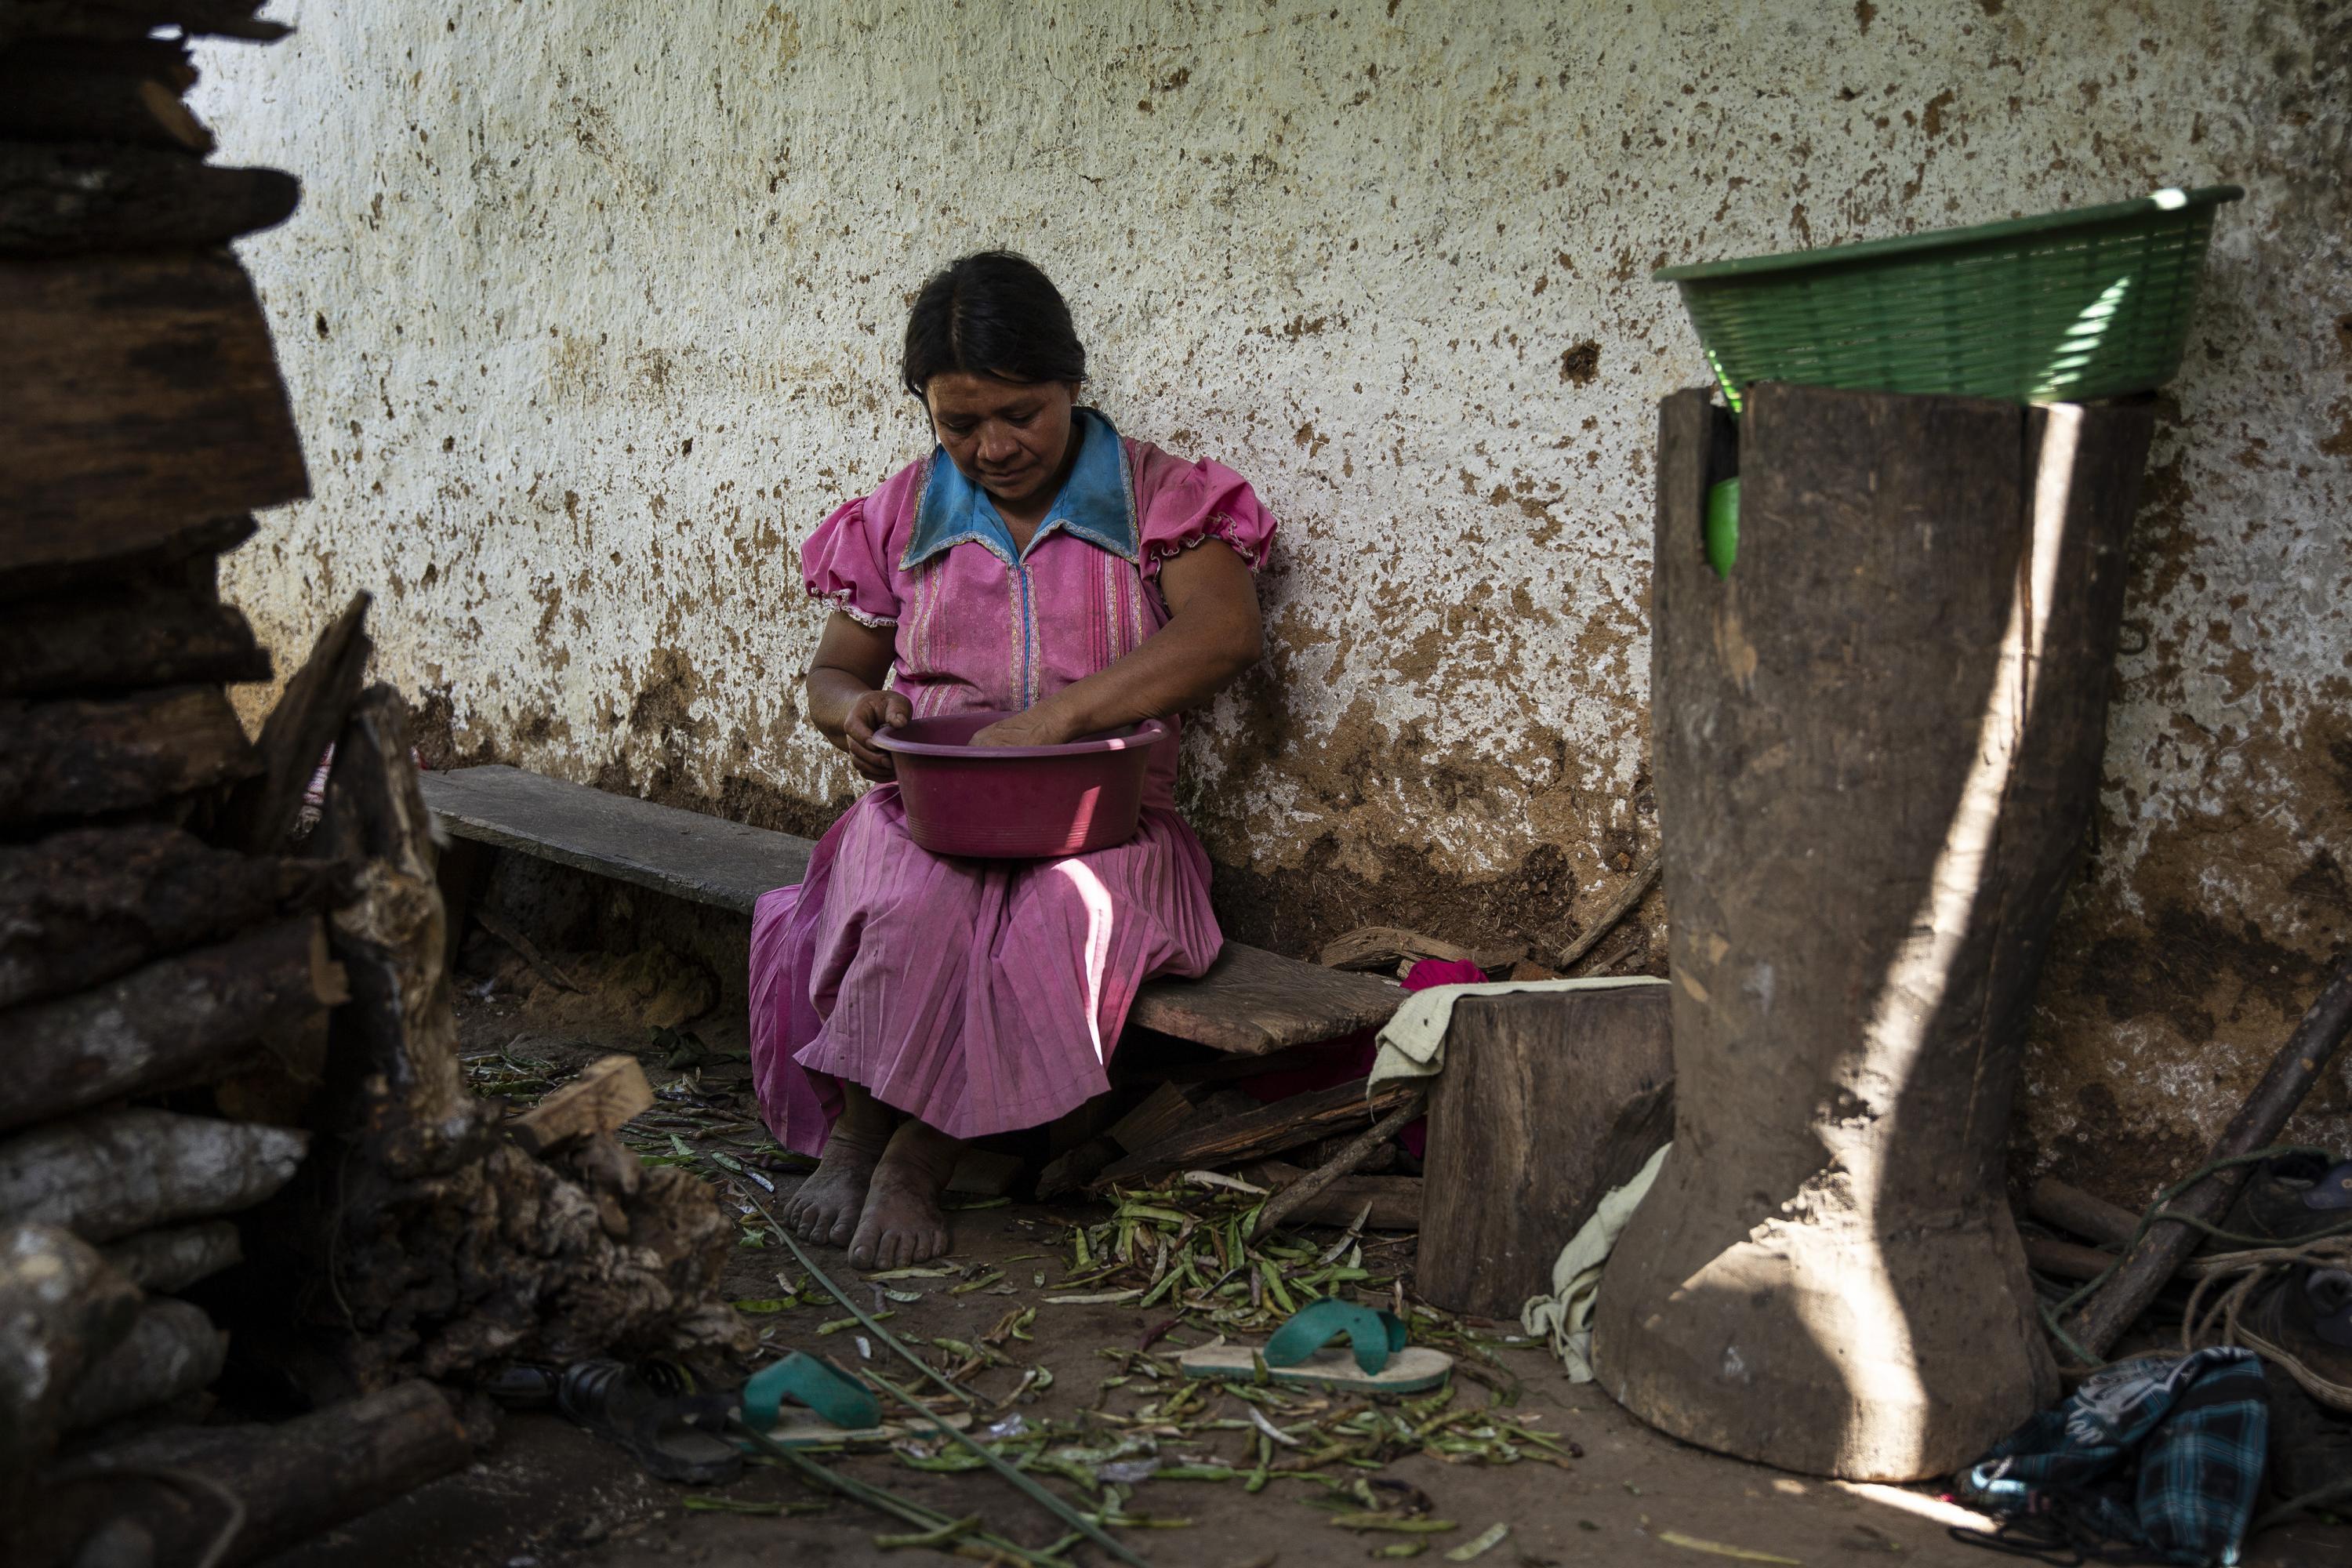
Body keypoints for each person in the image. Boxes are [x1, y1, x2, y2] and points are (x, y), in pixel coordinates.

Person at [749, 252, 1276, 1269]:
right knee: (902, 893)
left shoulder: (1159, 497)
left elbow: (1223, 635)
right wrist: (855, 715)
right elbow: (832, 675)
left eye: (1021, 414)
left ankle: (918, 1158)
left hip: (1109, 823)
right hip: (930, 809)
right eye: (959, 424)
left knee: (1042, 923)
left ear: (1072, 383)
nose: (993, 446)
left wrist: (1056, 721)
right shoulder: (905, 513)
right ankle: (860, 1130)